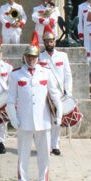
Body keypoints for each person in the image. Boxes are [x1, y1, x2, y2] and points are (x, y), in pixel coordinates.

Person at [7, 31, 63, 181]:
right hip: (24, 120)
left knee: (44, 154)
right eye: (28, 57)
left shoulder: (46, 73)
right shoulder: (16, 75)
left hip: (43, 120)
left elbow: (55, 96)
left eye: (34, 57)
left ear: (38, 57)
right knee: (23, 153)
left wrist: (59, 115)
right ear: (24, 57)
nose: (31, 60)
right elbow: (10, 99)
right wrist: (13, 117)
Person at [39, 25, 72, 155]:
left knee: (57, 119)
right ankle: (45, 145)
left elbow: (68, 75)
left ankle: (55, 144)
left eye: (51, 41)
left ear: (55, 41)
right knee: (45, 120)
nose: (49, 43)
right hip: (44, 93)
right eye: (46, 41)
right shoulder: (40, 57)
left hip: (58, 92)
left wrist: (68, 92)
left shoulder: (62, 56)